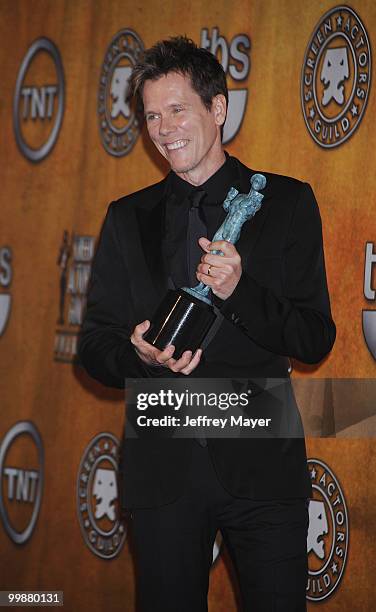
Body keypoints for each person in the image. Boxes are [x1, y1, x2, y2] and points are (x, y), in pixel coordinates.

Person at [78, 36, 336, 612]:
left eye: (177, 109)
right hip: (161, 477)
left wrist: (238, 289)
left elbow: (314, 337)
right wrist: (139, 356)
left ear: (218, 109)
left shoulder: (287, 204)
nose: (163, 128)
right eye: (150, 116)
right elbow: (95, 346)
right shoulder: (127, 218)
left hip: (263, 473)